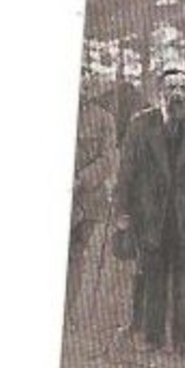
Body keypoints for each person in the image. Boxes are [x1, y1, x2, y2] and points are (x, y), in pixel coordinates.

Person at [114, 65, 185, 354]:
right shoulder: (140, 124)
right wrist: (122, 211)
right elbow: (127, 172)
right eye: (171, 88)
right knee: (153, 278)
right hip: (149, 216)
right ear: (159, 92)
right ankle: (153, 339)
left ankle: (184, 342)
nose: (177, 94)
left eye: (183, 88)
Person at [66, 68, 116, 318]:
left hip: (88, 200)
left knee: (74, 254)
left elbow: (108, 160)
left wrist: (80, 179)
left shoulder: (104, 119)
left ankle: (66, 313)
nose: (83, 88)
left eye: (87, 84)